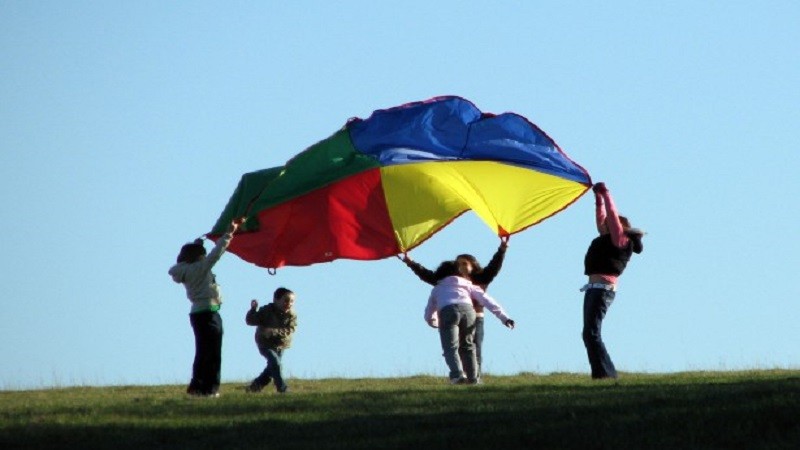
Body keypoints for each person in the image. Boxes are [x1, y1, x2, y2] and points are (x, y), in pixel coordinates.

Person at [402, 239, 507, 378]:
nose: (460, 266)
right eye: (458, 263)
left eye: (464, 263)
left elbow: (494, 267)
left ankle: (474, 376)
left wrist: (502, 250)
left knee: (473, 346)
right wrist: (411, 263)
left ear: (473, 266)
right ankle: (462, 374)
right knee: (455, 345)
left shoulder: (481, 277)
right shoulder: (446, 280)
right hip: (457, 314)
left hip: (476, 317)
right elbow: (426, 274)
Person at [169, 218, 242, 397]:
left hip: (196, 314)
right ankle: (210, 389)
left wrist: (196, 245)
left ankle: (196, 387)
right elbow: (217, 253)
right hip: (210, 313)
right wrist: (229, 233)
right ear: (198, 256)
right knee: (213, 353)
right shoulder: (201, 267)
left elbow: (187, 262)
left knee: (202, 352)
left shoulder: (183, 270)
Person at [581, 182, 644, 379]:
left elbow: (611, 215)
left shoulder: (621, 240)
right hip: (593, 288)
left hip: (602, 289)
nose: (606, 223)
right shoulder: (606, 238)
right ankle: (602, 374)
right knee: (588, 333)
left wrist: (606, 194)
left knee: (591, 333)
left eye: (611, 222)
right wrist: (597, 199)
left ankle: (606, 374)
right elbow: (601, 219)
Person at [424, 260, 515, 384]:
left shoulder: (437, 288)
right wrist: (505, 318)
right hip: (468, 311)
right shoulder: (468, 284)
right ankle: (473, 379)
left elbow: (430, 308)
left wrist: (432, 320)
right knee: (468, 346)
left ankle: (457, 376)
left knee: (450, 347)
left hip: (447, 312)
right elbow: (487, 300)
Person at [245, 287, 298, 394]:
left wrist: (273, 332)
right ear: (276, 300)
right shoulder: (266, 311)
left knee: (271, 368)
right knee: (275, 363)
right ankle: (282, 388)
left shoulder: (291, 315)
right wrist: (253, 310)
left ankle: (255, 386)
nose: (289, 304)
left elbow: (291, 329)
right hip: (265, 343)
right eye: (286, 300)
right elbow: (250, 321)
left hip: (281, 344)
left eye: (292, 301)